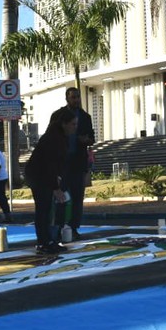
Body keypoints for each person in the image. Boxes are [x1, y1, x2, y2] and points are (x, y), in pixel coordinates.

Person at [24, 107, 77, 254]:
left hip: (45, 175)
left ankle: (48, 240)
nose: (74, 127)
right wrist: (55, 187)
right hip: (38, 176)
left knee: (47, 210)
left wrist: (58, 181)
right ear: (63, 124)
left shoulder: (61, 138)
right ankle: (43, 242)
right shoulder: (52, 139)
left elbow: (58, 164)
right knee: (43, 209)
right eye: (72, 124)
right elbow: (49, 165)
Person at [62, 87, 95, 239]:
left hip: (78, 162)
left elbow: (92, 139)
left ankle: (74, 227)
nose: (76, 100)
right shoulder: (59, 115)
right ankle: (60, 226)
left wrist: (85, 140)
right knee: (61, 196)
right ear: (67, 98)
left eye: (77, 97)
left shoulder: (85, 117)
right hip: (62, 163)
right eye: (73, 97)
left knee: (77, 197)